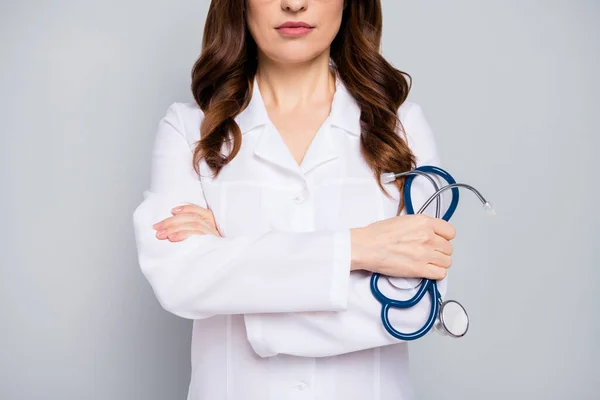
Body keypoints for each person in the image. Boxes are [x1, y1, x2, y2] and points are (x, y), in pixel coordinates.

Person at [132, 0, 456, 399]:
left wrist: (236, 275)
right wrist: (358, 247)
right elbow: (179, 280)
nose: (294, 4)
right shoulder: (188, 128)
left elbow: (413, 309)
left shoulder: (401, 127)